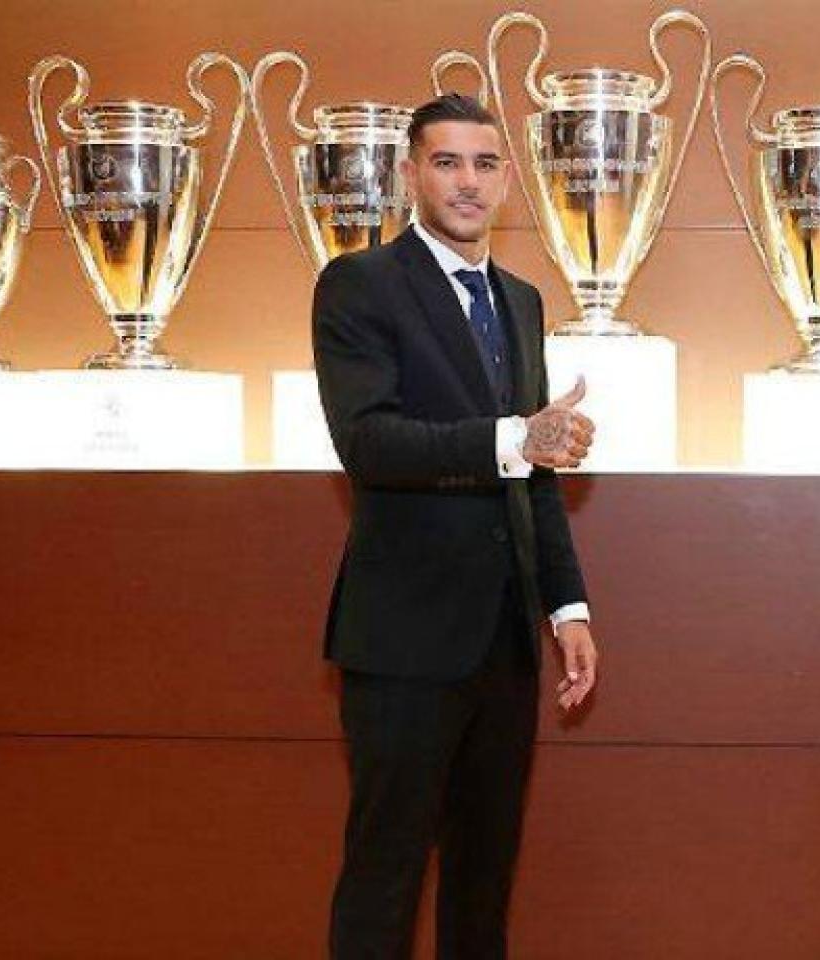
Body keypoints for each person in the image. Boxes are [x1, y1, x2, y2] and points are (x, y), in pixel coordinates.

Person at [312, 92, 599, 959]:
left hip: (504, 646)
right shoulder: (358, 284)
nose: (466, 183)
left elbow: (532, 470)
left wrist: (567, 607)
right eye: (446, 162)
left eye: (483, 163)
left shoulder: (520, 299)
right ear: (410, 175)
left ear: (506, 178)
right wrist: (518, 436)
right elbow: (369, 442)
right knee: (384, 877)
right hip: (403, 641)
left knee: (483, 881)